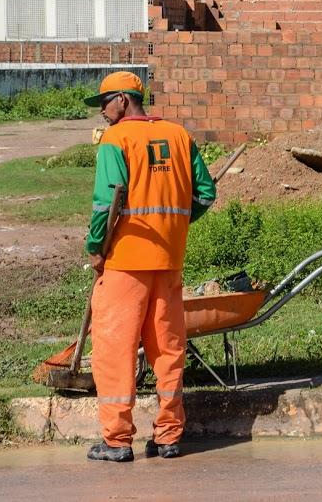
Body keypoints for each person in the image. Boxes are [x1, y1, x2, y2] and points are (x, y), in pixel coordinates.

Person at [83, 72, 216, 462]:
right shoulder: (179, 136)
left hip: (125, 263)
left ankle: (116, 440)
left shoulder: (116, 139)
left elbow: (106, 203)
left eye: (105, 102)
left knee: (115, 351)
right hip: (168, 262)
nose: (102, 111)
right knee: (168, 350)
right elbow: (205, 193)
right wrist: (173, 225)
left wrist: (95, 247)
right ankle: (169, 436)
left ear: (123, 100)